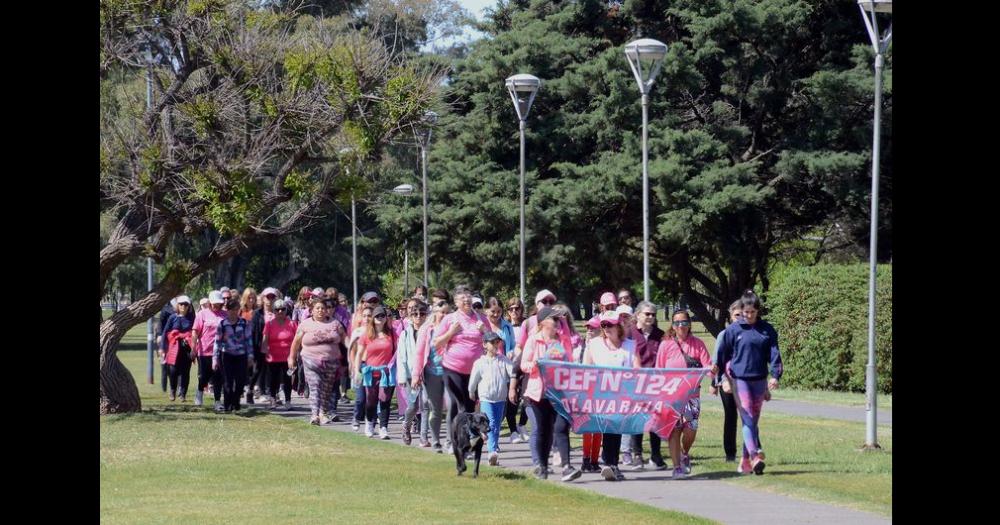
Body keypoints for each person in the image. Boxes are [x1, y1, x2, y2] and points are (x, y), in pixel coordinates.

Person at [715, 290, 783, 476]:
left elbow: (774, 354)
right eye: (746, 312)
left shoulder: (766, 330)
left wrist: (775, 375)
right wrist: (722, 378)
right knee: (747, 417)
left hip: (759, 380)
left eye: (753, 312)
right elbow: (722, 356)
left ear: (758, 311)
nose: (749, 316)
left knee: (753, 419)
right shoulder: (733, 330)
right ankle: (755, 454)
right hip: (739, 380)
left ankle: (745, 463)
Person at [519, 306, 581, 482]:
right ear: (543, 322)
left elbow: (569, 362)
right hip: (539, 393)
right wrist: (535, 365)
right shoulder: (533, 340)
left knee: (561, 427)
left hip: (559, 392)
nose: (557, 322)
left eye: (558, 320)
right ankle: (542, 466)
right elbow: (524, 364)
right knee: (544, 430)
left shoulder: (562, 341)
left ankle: (567, 466)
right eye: (554, 319)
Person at [655, 308, 714, 479]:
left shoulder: (698, 344)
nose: (681, 326)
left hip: (692, 396)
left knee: (690, 430)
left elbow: (708, 367)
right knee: (674, 431)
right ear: (672, 326)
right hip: (671, 396)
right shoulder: (665, 345)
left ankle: (684, 453)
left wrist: (713, 371)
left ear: (689, 324)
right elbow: (658, 371)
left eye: (684, 322)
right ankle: (677, 468)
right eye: (677, 323)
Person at [584, 311, 642, 481]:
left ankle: (611, 464)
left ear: (618, 326)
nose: (607, 328)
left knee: (616, 428)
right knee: (608, 428)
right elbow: (586, 368)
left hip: (622, 396)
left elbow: (637, 370)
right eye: (603, 325)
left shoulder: (630, 346)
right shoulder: (594, 344)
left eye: (610, 324)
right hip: (600, 396)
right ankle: (609, 462)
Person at [432, 286, 490, 448]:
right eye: (463, 298)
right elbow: (436, 343)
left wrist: (484, 331)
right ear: (456, 302)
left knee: (470, 407)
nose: (467, 300)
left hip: (474, 372)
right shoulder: (450, 319)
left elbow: (495, 343)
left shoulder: (481, 319)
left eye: (469, 297)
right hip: (452, 369)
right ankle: (453, 442)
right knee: (458, 405)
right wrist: (451, 332)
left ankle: (464, 442)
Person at [289, 299, 345, 425]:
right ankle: (314, 415)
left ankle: (323, 412)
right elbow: (296, 342)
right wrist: (291, 357)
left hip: (331, 361)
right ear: (312, 310)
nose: (320, 311)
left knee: (326, 388)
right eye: (317, 308)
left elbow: (344, 339)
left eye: (322, 308)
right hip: (310, 360)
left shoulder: (335, 323)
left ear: (326, 310)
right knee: (315, 386)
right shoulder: (305, 324)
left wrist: (353, 352)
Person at [629, 300, 668, 471]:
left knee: (655, 419)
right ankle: (637, 454)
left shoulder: (661, 335)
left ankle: (656, 455)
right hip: (635, 383)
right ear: (638, 315)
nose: (651, 317)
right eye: (647, 314)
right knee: (637, 419)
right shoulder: (629, 333)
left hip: (655, 383)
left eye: (653, 314)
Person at [469, 331, 514, 466]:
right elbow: (474, 379)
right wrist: (471, 391)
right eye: (492, 342)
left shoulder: (504, 360)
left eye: (497, 342)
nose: (495, 345)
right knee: (492, 423)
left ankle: (485, 438)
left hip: (500, 399)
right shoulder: (480, 363)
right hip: (486, 398)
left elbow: (513, 373)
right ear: (484, 345)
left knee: (496, 424)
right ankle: (492, 452)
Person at [353, 305, 398, 439]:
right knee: (371, 401)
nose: (380, 318)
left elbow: (397, 351)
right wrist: (357, 371)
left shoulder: (392, 334)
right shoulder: (367, 334)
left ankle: (383, 427)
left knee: (385, 400)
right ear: (373, 318)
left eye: (382, 316)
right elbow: (359, 354)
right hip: (370, 373)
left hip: (386, 373)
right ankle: (369, 423)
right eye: (377, 316)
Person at [413, 293, 451, 451]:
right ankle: (435, 440)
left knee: (452, 406)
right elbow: (419, 353)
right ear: (435, 312)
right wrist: (416, 375)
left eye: (447, 313)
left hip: (450, 372)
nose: (444, 315)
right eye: (442, 312)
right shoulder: (427, 330)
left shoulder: (454, 329)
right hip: (432, 373)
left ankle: (450, 441)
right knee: (435, 409)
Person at [711, 300, 744, 462]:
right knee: (731, 416)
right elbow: (717, 361)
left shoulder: (751, 333)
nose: (740, 317)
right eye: (737, 314)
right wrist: (715, 383)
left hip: (747, 381)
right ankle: (730, 453)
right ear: (731, 317)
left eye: (743, 314)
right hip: (728, 381)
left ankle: (751, 451)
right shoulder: (724, 335)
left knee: (748, 417)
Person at [213, 299, 254, 413]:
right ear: (227, 310)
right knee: (227, 382)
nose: (233, 312)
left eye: (236, 309)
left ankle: (236, 401)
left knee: (240, 382)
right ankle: (227, 405)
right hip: (226, 355)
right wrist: (215, 359)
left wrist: (250, 356)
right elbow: (217, 342)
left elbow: (249, 340)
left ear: (238, 310)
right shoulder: (222, 324)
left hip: (241, 355)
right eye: (231, 310)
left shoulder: (244, 323)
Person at [398, 298, 430, 445]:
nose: (419, 316)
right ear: (410, 316)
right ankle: (406, 424)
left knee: (425, 405)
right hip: (412, 374)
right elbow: (401, 357)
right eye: (415, 314)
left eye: (422, 313)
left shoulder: (430, 331)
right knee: (413, 405)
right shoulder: (405, 334)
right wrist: (402, 377)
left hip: (428, 373)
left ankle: (424, 437)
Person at [193, 291, 227, 409]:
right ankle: (199, 391)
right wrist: (193, 348)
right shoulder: (202, 314)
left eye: (218, 303)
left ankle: (217, 401)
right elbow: (195, 331)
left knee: (218, 376)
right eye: (214, 303)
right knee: (204, 376)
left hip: (220, 351)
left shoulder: (225, 315)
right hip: (204, 351)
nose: (216, 305)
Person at [262, 298, 297, 410]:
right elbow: (265, 340)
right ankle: (273, 400)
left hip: (288, 358)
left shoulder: (292, 324)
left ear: (286, 310)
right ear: (274, 311)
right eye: (277, 309)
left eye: (282, 309)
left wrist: (296, 354)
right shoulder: (269, 324)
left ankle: (288, 400)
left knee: (287, 379)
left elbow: (297, 340)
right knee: (273, 380)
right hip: (273, 357)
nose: (280, 312)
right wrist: (264, 351)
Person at [580, 314, 604, 472]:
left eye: (593, 328)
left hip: (600, 390)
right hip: (585, 390)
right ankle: (585, 459)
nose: (589, 330)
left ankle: (595, 460)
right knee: (587, 427)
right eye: (587, 327)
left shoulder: (602, 347)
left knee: (598, 427)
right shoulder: (583, 345)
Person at [504, 296, 529, 444]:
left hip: (525, 365)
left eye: (517, 308)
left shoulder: (526, 325)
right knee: (511, 399)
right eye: (511, 309)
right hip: (509, 366)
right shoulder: (505, 326)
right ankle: (513, 430)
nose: (514, 311)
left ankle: (522, 425)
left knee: (527, 398)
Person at [161, 295, 195, 402]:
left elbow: (195, 332)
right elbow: (165, 332)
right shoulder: (172, 317)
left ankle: (183, 394)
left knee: (185, 371)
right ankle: (172, 390)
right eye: (181, 304)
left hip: (187, 348)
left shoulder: (192, 318)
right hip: (174, 347)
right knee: (173, 371)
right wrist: (162, 347)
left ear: (189, 306)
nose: (183, 307)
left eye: (186, 304)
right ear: (177, 305)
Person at [348, 305, 374, 430]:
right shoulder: (357, 332)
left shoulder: (376, 331)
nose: (367, 318)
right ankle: (357, 417)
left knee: (372, 397)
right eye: (364, 316)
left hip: (373, 367)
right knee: (360, 398)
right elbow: (352, 350)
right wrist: (353, 366)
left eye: (369, 315)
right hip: (360, 365)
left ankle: (371, 420)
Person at [157, 298, 178, 393]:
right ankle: (164, 388)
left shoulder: (184, 309)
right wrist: (160, 335)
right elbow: (160, 323)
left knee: (175, 365)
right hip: (164, 340)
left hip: (175, 339)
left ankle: (176, 388)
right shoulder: (165, 310)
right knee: (164, 365)